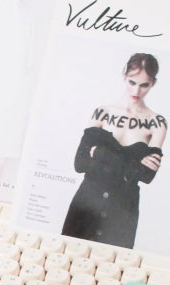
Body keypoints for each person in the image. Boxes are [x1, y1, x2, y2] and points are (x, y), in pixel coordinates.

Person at [62, 53, 167, 249]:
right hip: (87, 202)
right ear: (124, 76)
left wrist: (100, 153)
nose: (136, 90)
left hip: (123, 209)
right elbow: (80, 163)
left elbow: (146, 175)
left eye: (144, 85)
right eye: (132, 82)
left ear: (153, 83)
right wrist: (132, 164)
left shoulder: (157, 123)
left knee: (111, 261)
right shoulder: (103, 112)